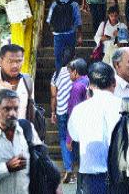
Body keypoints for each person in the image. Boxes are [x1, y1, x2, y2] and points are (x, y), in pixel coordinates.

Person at [68, 62, 121, 194]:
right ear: (114, 82)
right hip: (119, 173)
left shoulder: (80, 109)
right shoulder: (124, 106)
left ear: (90, 85)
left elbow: (75, 136)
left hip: (91, 174)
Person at [47, 0, 83, 71]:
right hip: (70, 33)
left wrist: (55, 30)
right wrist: (80, 36)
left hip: (57, 35)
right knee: (70, 56)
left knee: (58, 57)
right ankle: (67, 73)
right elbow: (78, 21)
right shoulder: (74, 4)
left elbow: (49, 21)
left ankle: (59, 74)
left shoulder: (54, 4)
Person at [50, 47, 75, 183]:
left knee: (63, 138)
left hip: (61, 111)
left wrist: (53, 112)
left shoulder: (56, 74)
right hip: (73, 111)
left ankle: (68, 169)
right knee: (74, 138)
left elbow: (54, 95)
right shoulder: (77, 72)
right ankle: (75, 168)